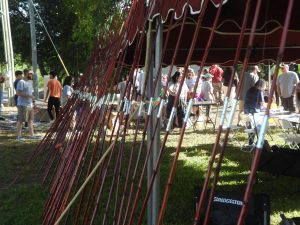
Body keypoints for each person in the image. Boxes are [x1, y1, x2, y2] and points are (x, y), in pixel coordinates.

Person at [16, 70, 38, 141]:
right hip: (22, 104)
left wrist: (34, 103)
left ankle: (32, 135)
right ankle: (19, 136)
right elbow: (18, 93)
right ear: (25, 74)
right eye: (30, 74)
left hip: (30, 105)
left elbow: (30, 94)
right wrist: (29, 96)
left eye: (32, 74)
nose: (31, 75)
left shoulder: (29, 82)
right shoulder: (21, 82)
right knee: (21, 121)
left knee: (30, 120)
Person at [244, 79, 266, 146]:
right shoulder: (259, 91)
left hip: (246, 109)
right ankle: (259, 142)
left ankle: (250, 142)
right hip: (254, 111)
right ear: (261, 86)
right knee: (257, 126)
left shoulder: (250, 89)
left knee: (250, 127)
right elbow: (262, 103)